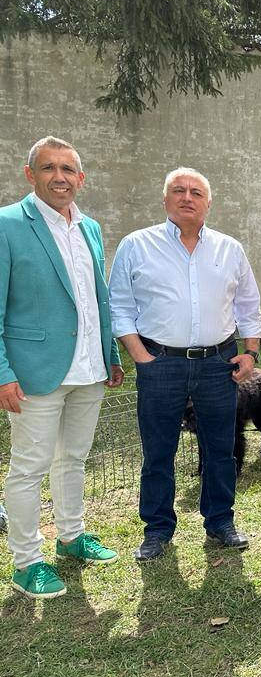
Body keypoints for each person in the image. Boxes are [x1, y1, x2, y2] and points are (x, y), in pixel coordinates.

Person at [108, 167, 261, 562]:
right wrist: (141, 357)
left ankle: (220, 521)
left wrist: (251, 352)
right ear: (165, 200)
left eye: (196, 192)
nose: (187, 197)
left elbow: (248, 304)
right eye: (178, 190)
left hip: (219, 364)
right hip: (160, 362)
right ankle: (158, 529)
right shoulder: (136, 245)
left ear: (208, 203)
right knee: (158, 450)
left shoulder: (230, 249)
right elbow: (120, 306)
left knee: (221, 448)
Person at [1, 136, 124, 599]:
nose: (60, 177)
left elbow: (99, 298)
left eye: (68, 169)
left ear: (81, 178)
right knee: (29, 468)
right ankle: (26, 561)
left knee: (73, 459)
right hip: (34, 371)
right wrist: (2, 372)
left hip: (89, 368)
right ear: (29, 173)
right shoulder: (9, 225)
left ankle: (71, 536)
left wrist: (110, 354)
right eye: (49, 168)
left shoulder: (89, 227)